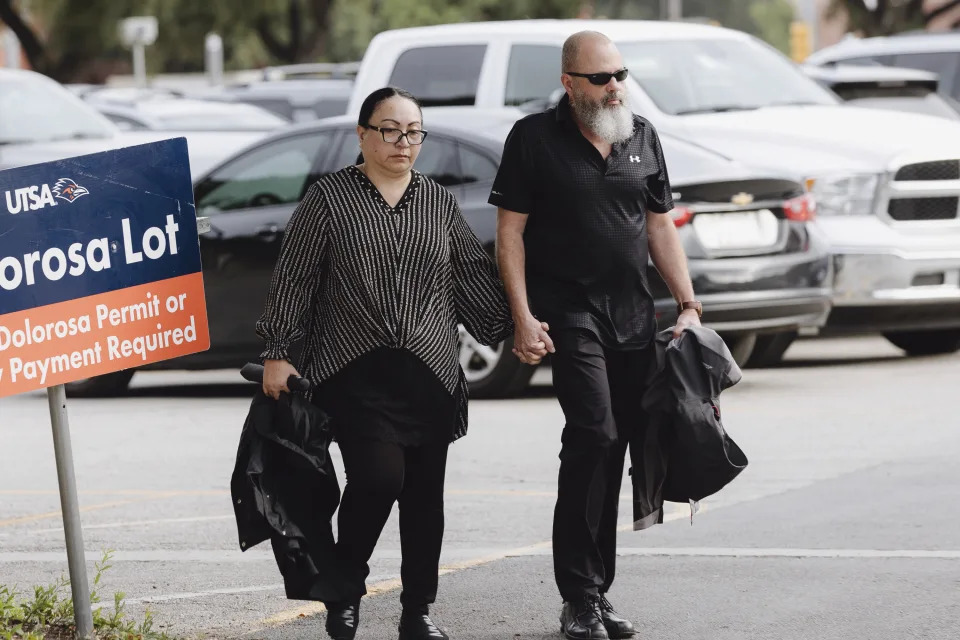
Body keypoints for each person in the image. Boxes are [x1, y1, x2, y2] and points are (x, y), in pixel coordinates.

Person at [257, 87, 516, 640]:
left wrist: (519, 325)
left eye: (414, 132)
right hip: (354, 370)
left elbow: (471, 275)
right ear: (363, 134)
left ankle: (417, 612)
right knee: (378, 478)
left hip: (431, 373)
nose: (404, 142)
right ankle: (344, 586)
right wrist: (277, 353)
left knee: (425, 501)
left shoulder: (438, 202)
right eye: (390, 130)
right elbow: (294, 278)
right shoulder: (329, 198)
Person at [490, 31, 703, 640]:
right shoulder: (533, 139)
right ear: (568, 84)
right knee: (593, 433)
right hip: (569, 313)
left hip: (636, 316)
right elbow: (511, 235)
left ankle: (597, 594)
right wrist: (523, 315)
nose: (615, 87)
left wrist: (687, 304)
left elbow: (660, 226)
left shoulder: (640, 133)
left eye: (620, 75)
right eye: (601, 78)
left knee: (622, 446)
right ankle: (579, 595)